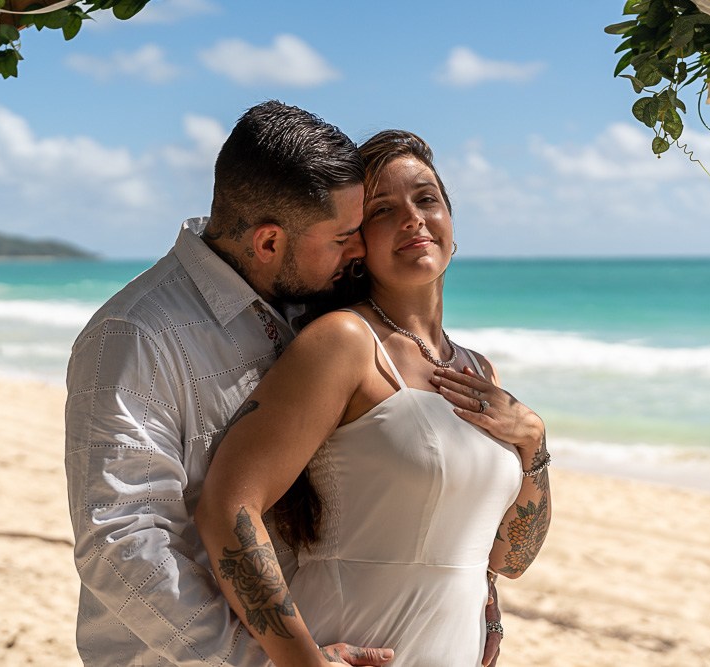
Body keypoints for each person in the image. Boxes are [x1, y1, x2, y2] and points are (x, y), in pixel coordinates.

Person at [195, 129, 552, 667]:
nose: (413, 217)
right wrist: (303, 663)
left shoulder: (478, 371)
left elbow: (509, 557)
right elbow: (226, 508)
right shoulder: (344, 343)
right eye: (384, 210)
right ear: (356, 242)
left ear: (452, 226)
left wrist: (534, 444)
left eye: (426, 198)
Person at [65, 101, 394, 666]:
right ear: (268, 243)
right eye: (343, 237)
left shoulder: (311, 315)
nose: (359, 250)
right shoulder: (135, 334)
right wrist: (269, 662)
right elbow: (122, 544)